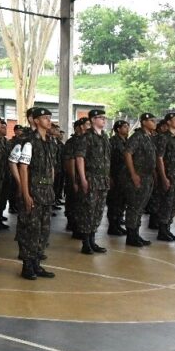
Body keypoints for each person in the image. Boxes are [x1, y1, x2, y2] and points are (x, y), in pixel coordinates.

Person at [17, 107, 57, 280]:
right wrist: (26, 194)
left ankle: (37, 264)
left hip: (46, 192)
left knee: (43, 230)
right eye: (45, 118)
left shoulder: (49, 141)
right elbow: (23, 168)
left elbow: (52, 168)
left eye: (49, 117)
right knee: (30, 230)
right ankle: (27, 265)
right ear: (36, 121)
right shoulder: (29, 141)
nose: (49, 120)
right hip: (33, 191)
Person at [73, 109, 110, 254]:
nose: (103, 120)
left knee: (98, 211)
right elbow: (79, 158)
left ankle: (92, 240)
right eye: (101, 118)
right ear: (93, 120)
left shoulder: (104, 137)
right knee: (87, 210)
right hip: (91, 178)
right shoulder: (86, 137)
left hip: (103, 179)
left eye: (104, 118)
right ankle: (85, 243)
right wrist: (82, 178)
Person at [122, 113, 157, 247]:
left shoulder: (149, 137)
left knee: (140, 207)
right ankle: (131, 236)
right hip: (138, 176)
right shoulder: (137, 136)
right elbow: (128, 153)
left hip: (147, 177)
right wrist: (133, 174)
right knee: (134, 207)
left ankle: (136, 233)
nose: (154, 123)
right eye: (151, 121)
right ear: (144, 122)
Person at [152, 112, 175, 241]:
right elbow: (159, 158)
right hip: (168, 176)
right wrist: (163, 177)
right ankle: (162, 231)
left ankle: (167, 229)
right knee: (166, 203)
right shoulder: (163, 137)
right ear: (168, 122)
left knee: (173, 204)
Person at [106, 119, 130, 235]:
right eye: (124, 127)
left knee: (122, 201)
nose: (127, 128)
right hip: (115, 175)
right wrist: (109, 176)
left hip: (124, 177)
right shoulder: (112, 142)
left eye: (127, 126)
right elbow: (108, 160)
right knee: (114, 202)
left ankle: (118, 223)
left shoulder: (127, 142)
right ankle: (112, 226)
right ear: (118, 129)